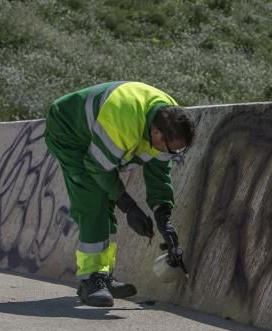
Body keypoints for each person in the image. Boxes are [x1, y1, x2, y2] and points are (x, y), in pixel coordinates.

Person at [44, 81, 195, 307]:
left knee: (106, 200)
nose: (173, 154)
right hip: (69, 131)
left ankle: (103, 275)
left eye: (178, 150)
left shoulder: (170, 121)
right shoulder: (123, 121)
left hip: (98, 130)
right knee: (94, 200)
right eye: (171, 150)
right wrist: (129, 207)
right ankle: (90, 280)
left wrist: (163, 216)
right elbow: (97, 167)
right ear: (155, 133)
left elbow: (159, 173)